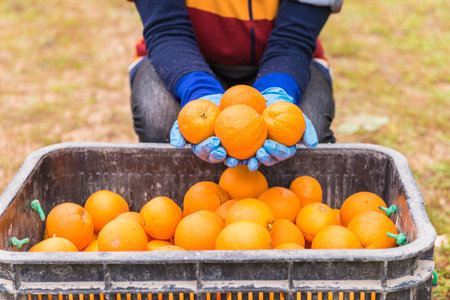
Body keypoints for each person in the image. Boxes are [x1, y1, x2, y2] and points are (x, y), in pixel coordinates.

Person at [127, 0, 342, 171]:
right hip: (180, 58)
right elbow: (167, 28)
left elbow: (295, 37)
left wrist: (279, 88)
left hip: (287, 61)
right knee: (158, 116)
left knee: (299, 129)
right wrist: (197, 90)